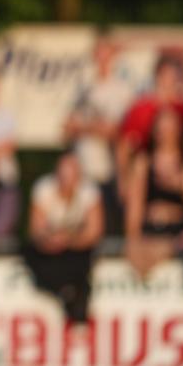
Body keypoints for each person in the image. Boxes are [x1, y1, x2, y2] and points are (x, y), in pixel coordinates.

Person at [22, 150, 103, 324]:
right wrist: (51, 240)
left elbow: (94, 232)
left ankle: (76, 311)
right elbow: (35, 230)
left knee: (81, 269)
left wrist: (69, 239)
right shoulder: (43, 189)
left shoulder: (89, 192)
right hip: (49, 251)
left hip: (76, 251)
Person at [63, 37, 134, 234]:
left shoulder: (121, 90)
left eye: (106, 53)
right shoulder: (83, 88)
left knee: (107, 228)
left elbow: (116, 131)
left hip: (108, 171)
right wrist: (95, 127)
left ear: (113, 56)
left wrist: (83, 127)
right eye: (98, 54)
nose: (102, 59)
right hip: (82, 171)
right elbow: (67, 128)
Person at [124, 107, 183, 279]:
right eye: (163, 126)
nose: (167, 132)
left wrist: (180, 182)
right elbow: (135, 209)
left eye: (171, 126)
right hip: (151, 232)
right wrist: (133, 240)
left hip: (179, 234)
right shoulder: (144, 163)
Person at [116, 55, 183, 198]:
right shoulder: (142, 108)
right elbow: (125, 147)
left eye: (174, 77)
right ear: (158, 77)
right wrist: (124, 179)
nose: (171, 81)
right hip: (147, 177)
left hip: (178, 174)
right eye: (167, 76)